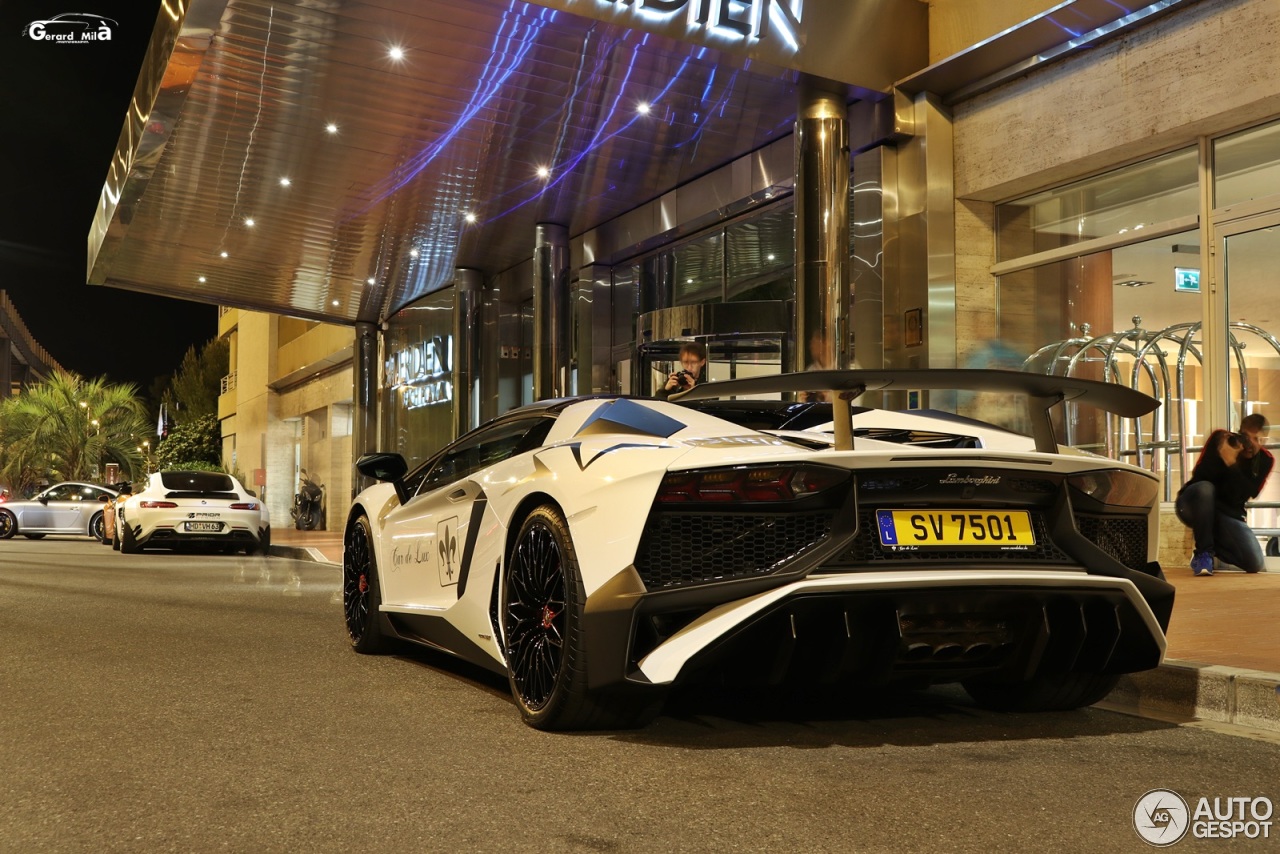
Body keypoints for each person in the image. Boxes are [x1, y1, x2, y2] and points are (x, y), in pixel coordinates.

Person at [1175, 413, 1273, 575]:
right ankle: (1203, 553)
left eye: (1258, 440)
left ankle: (1211, 543)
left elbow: (1245, 494)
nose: (1251, 445)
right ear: (1240, 433)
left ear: (1265, 441)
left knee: (1255, 563)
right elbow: (1201, 477)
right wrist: (1222, 456)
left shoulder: (1265, 460)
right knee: (1206, 489)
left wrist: (1231, 463)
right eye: (1248, 437)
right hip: (1192, 504)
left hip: (1225, 514)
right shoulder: (1221, 439)